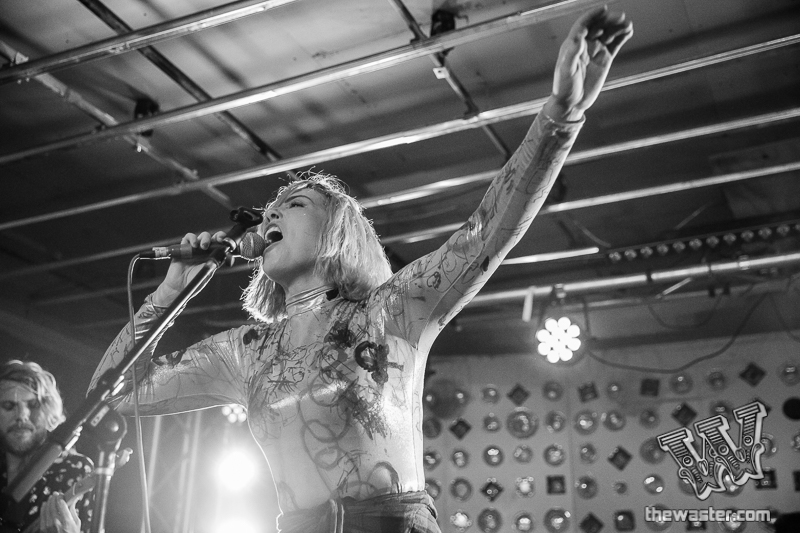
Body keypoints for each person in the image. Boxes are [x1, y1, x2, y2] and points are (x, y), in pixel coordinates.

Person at [90, 7, 632, 533]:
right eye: (270, 208)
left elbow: (486, 232)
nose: (271, 213)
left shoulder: (389, 313)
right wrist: (167, 293)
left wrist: (561, 115)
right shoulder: (244, 351)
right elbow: (110, 396)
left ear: (337, 232)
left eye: (294, 204)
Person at [0, 360, 93, 533]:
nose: (22, 415)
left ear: (49, 410)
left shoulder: (75, 469)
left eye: (33, 405)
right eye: (8, 406)